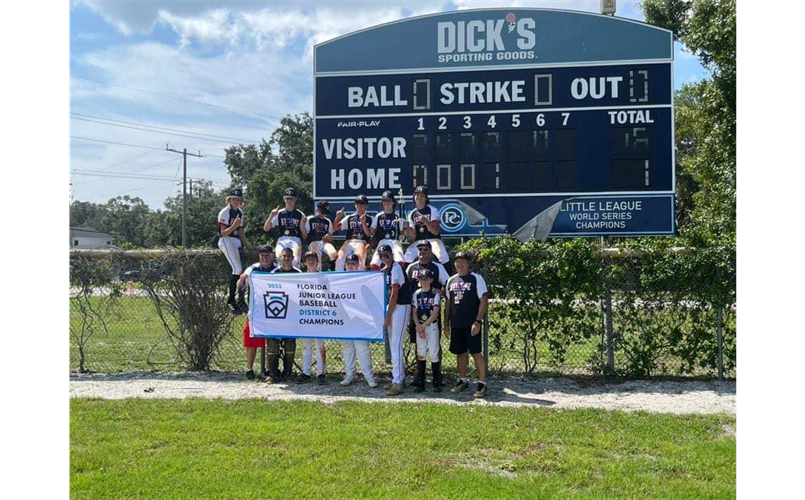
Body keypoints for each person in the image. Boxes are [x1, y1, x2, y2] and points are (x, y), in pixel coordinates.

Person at [444, 252, 490, 398]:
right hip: (456, 324)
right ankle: (462, 380)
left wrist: (477, 321)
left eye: (463, 261)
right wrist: (446, 324)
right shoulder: (451, 280)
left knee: (476, 353)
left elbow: (483, 300)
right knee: (460, 352)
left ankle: (482, 383)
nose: (459, 264)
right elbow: (448, 304)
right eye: (457, 261)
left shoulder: (477, 278)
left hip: (471, 323)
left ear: (469, 263)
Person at [236, 245, 276, 379]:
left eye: (267, 254)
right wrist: (242, 279)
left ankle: (270, 369)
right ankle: (249, 369)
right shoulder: (253, 269)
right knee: (251, 339)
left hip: (273, 312)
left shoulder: (277, 270)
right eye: (262, 254)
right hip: (255, 311)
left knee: (272, 342)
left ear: (272, 255)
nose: (264, 257)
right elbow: (241, 283)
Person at [377, 244, 413, 396]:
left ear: (392, 255)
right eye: (381, 256)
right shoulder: (389, 269)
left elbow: (395, 294)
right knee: (393, 344)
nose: (384, 258)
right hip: (393, 308)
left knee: (396, 344)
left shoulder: (396, 268)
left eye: (387, 255)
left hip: (400, 307)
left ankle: (397, 382)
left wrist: (387, 317)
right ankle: (398, 377)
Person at [340, 254, 378, 388]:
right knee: (347, 347)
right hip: (345, 318)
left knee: (362, 347)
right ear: (345, 266)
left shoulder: (364, 279)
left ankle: (368, 376)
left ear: (358, 265)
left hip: (360, 319)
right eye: (348, 263)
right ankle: (349, 374)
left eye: (353, 263)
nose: (351, 266)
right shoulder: (339, 280)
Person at [265, 247, 302, 383]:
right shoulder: (274, 273)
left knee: (290, 345)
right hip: (277, 313)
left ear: (293, 258)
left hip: (292, 314)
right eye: (284, 256)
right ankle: (273, 374)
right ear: (280, 257)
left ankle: (288, 374)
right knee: (273, 344)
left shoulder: (298, 273)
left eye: (289, 256)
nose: (286, 258)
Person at [217, 188, 250, 313]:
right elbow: (223, 233)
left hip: (236, 240)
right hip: (226, 240)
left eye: (238, 199)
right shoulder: (225, 212)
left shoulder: (240, 212)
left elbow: (241, 232)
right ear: (229, 199)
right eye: (234, 199)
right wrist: (234, 226)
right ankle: (231, 300)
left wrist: (247, 244)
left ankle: (241, 300)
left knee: (245, 271)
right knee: (237, 269)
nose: (236, 201)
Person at [410, 269, 443, 392]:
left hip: (431, 325)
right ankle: (421, 381)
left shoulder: (435, 294)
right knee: (421, 352)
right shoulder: (416, 293)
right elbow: (414, 312)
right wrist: (418, 326)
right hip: (420, 326)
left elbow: (435, 313)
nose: (423, 281)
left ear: (431, 280)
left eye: (426, 278)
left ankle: (436, 380)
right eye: (421, 278)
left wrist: (423, 326)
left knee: (434, 352)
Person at [298, 251, 327, 385]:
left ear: (317, 262)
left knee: (319, 345)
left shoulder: (323, 277)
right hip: (305, 315)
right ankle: (306, 372)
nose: (310, 261)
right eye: (308, 259)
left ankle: (321, 373)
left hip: (319, 315)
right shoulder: (300, 277)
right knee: (306, 345)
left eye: (313, 259)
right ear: (305, 262)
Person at [403, 185, 449, 265]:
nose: (419, 197)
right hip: (418, 241)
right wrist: (407, 231)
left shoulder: (433, 210)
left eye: (422, 195)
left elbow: (435, 232)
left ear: (426, 198)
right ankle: (407, 277)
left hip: (433, 240)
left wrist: (426, 222)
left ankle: (447, 277)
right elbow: (414, 237)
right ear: (414, 197)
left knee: (443, 257)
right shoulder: (411, 214)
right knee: (407, 257)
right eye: (417, 195)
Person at [264, 187, 306, 267]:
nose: (289, 201)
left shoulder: (300, 214)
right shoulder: (279, 213)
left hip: (295, 239)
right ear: (284, 199)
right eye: (287, 199)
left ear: (295, 199)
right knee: (279, 260)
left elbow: (304, 236)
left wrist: (303, 225)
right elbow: (266, 228)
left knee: (294, 262)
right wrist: (271, 215)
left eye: (291, 199)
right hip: (282, 238)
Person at [333, 194, 372, 271]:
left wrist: (363, 222)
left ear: (366, 206)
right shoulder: (349, 217)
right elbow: (335, 228)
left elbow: (369, 234)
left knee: (360, 261)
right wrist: (337, 218)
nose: (359, 205)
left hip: (361, 241)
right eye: (357, 203)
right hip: (349, 241)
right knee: (339, 260)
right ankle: (339, 280)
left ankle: (360, 280)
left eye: (362, 203)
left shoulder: (370, 218)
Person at [369, 191, 405, 270]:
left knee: (399, 260)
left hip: (395, 241)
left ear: (393, 202)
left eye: (389, 200)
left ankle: (399, 279)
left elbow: (402, 232)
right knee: (374, 263)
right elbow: (371, 231)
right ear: (382, 202)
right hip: (382, 241)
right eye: (384, 200)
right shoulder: (379, 216)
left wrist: (405, 226)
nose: (386, 202)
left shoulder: (399, 215)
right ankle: (378, 280)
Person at [306, 200, 338, 271]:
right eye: (322, 212)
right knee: (317, 255)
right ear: (317, 209)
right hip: (313, 242)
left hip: (324, 242)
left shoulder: (328, 221)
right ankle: (317, 273)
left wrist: (329, 237)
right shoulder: (310, 219)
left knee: (334, 254)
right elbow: (305, 235)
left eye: (325, 213)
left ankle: (333, 272)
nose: (324, 215)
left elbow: (330, 236)